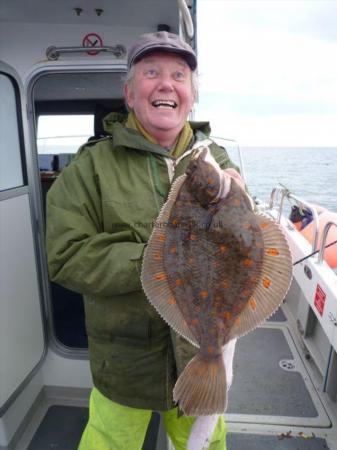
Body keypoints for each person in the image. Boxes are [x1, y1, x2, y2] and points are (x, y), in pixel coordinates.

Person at [46, 31, 240, 450]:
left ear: (192, 94)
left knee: (208, 443)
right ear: (130, 94)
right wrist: (163, 260)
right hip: (125, 363)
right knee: (109, 441)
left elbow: (244, 253)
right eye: (151, 72)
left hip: (200, 357)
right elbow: (65, 255)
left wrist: (242, 207)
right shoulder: (91, 167)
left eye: (179, 75)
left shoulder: (218, 161)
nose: (166, 83)